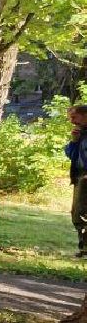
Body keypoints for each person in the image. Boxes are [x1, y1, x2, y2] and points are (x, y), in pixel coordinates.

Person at [68, 104, 87, 256]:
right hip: (79, 176)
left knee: (82, 212)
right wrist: (74, 141)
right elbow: (71, 154)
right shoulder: (81, 134)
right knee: (77, 212)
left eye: (74, 117)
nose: (72, 121)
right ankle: (83, 245)